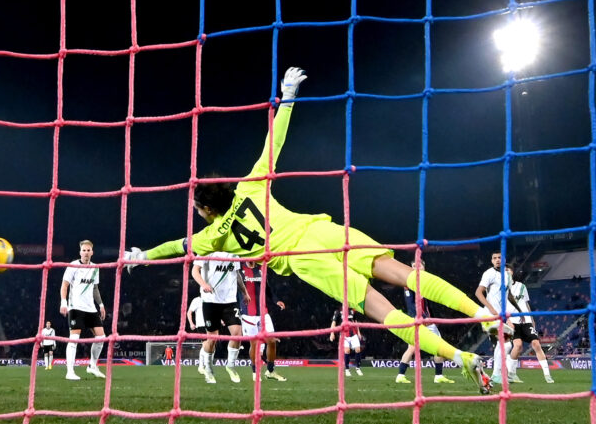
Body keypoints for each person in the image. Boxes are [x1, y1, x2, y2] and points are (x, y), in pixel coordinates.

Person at [123, 67, 495, 394]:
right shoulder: (250, 185)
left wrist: (142, 255)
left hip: (304, 260)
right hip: (321, 231)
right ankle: (480, 313)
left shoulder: (213, 236)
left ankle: (460, 357)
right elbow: (275, 141)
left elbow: (175, 247)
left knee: (381, 310)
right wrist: (288, 96)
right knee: (404, 274)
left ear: (206, 209)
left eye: (197, 208)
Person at [191, 251, 247, 384]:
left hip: (230, 301)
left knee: (237, 334)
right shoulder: (206, 251)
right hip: (210, 301)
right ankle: (208, 369)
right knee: (212, 339)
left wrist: (244, 292)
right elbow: (195, 271)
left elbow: (237, 274)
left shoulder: (234, 253)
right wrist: (204, 284)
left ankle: (231, 366)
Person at [396, 261, 454, 384]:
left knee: (437, 348)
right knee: (414, 348)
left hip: (426, 321)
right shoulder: (409, 283)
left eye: (419, 265)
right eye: (414, 266)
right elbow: (411, 304)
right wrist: (419, 318)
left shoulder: (424, 283)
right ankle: (401, 375)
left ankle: (438, 376)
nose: (416, 267)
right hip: (418, 320)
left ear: (424, 267)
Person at [60, 240, 107, 381]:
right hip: (76, 307)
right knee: (74, 339)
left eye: (88, 250)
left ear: (92, 252)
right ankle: (70, 371)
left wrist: (101, 305)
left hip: (91, 308)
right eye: (84, 250)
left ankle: (92, 365)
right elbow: (64, 286)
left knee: (101, 338)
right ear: (80, 252)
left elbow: (95, 288)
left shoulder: (95, 268)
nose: (86, 253)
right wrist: (63, 303)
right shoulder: (73, 266)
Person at [475, 253, 522, 385]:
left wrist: (517, 312)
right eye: (494, 258)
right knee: (506, 344)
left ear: (504, 260)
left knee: (504, 344)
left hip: (500, 316)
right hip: (489, 314)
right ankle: (496, 375)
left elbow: (508, 295)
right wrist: (491, 309)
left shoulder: (507, 275)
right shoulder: (489, 273)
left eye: (499, 258)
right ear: (491, 261)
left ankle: (495, 375)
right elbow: (478, 292)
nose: (497, 260)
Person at [240, 259, 287, 381]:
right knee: (254, 344)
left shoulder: (261, 269)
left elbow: (267, 289)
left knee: (272, 341)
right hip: (248, 314)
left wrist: (276, 300)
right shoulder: (239, 269)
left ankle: (270, 371)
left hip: (263, 313)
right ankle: (255, 372)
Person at [507, 269, 555, 383]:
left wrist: (532, 318)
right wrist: (507, 320)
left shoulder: (521, 286)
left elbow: (526, 303)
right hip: (512, 321)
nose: (506, 272)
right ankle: (511, 374)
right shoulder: (500, 289)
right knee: (518, 345)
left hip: (526, 320)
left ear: (512, 272)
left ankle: (547, 374)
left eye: (508, 270)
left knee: (536, 344)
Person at [330, 308, 364, 377]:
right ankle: (347, 369)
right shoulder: (338, 311)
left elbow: (355, 322)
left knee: (358, 349)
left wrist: (358, 332)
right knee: (347, 351)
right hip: (344, 335)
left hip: (353, 334)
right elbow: (334, 322)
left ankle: (358, 368)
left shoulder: (352, 311)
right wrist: (332, 333)